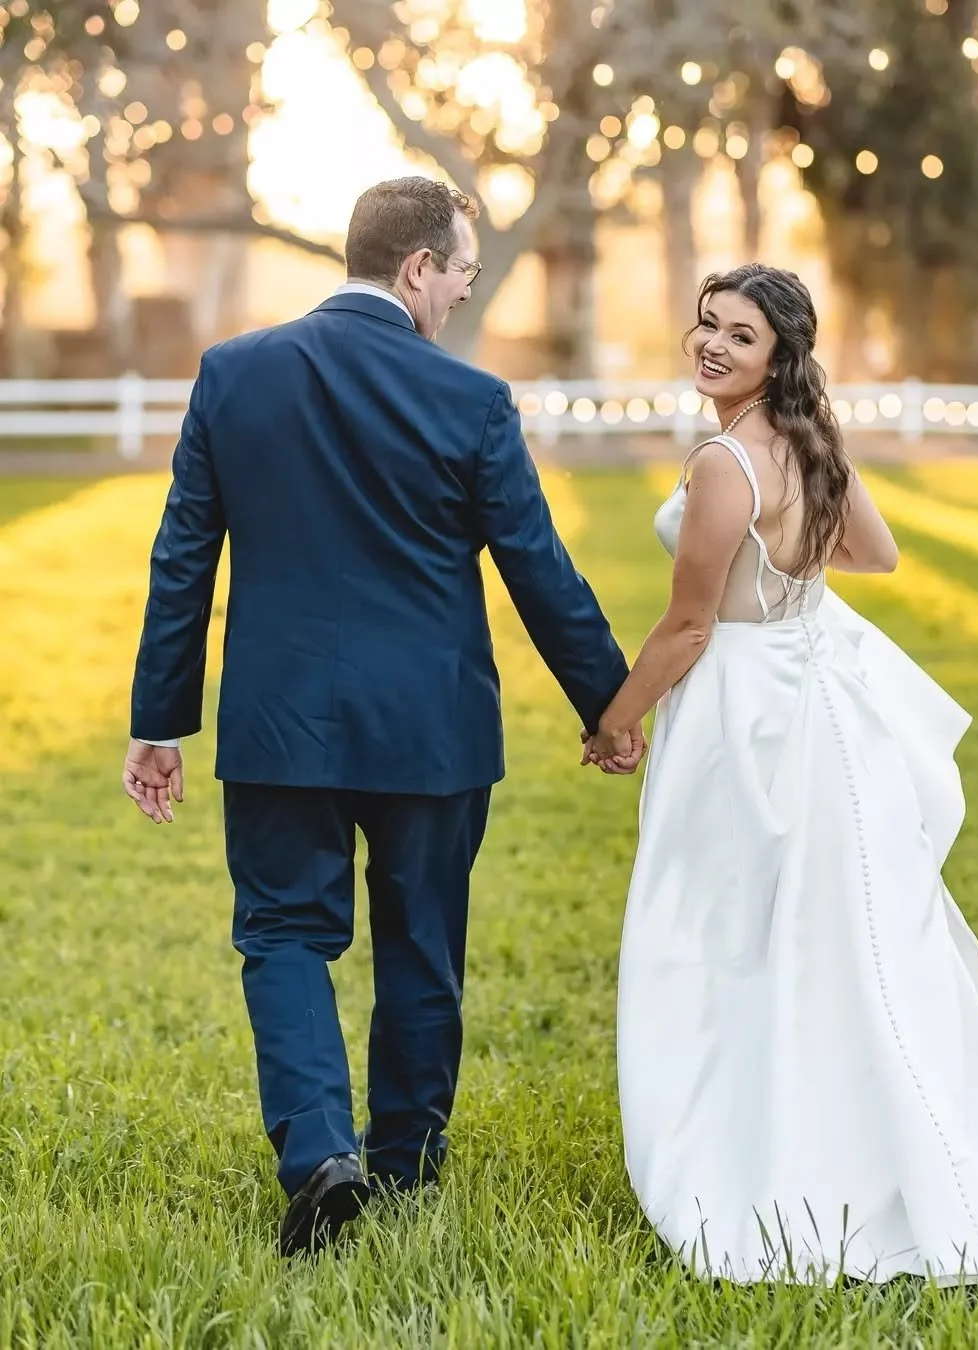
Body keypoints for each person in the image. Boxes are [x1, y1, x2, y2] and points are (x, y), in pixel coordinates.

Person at [122, 176, 644, 1258]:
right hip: (431, 731)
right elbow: (537, 568)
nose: (460, 295)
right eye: (461, 274)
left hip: (278, 725)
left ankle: (321, 1157)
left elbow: (183, 558)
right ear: (417, 268)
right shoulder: (472, 400)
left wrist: (160, 721)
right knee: (421, 945)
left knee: (282, 935)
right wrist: (610, 705)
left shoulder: (233, 374)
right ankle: (402, 1168)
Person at [583, 263, 978, 1283]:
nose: (713, 345)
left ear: (779, 357)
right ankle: (874, 1157)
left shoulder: (725, 462)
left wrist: (614, 722)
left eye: (742, 336)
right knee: (835, 937)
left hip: (745, 711)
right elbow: (874, 553)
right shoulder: (810, 443)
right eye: (708, 324)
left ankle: (763, 1163)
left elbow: (688, 626)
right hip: (821, 700)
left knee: (727, 931)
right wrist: (790, 571)